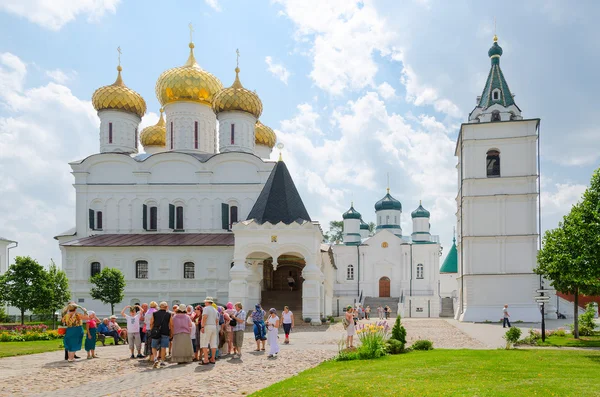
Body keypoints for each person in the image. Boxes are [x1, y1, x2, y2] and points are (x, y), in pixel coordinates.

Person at [150, 301, 172, 368]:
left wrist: (152, 330)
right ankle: (162, 361)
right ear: (166, 307)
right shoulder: (169, 314)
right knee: (163, 347)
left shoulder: (154, 313)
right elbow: (171, 324)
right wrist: (171, 333)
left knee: (154, 346)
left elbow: (151, 323)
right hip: (165, 332)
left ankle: (155, 359)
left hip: (156, 332)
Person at [200, 297, 219, 365]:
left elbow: (205, 317)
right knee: (213, 343)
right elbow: (217, 320)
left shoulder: (206, 308)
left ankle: (206, 359)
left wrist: (202, 326)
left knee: (204, 342)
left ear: (207, 302)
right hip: (214, 326)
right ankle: (213, 358)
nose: (204, 303)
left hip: (207, 326)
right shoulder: (215, 309)